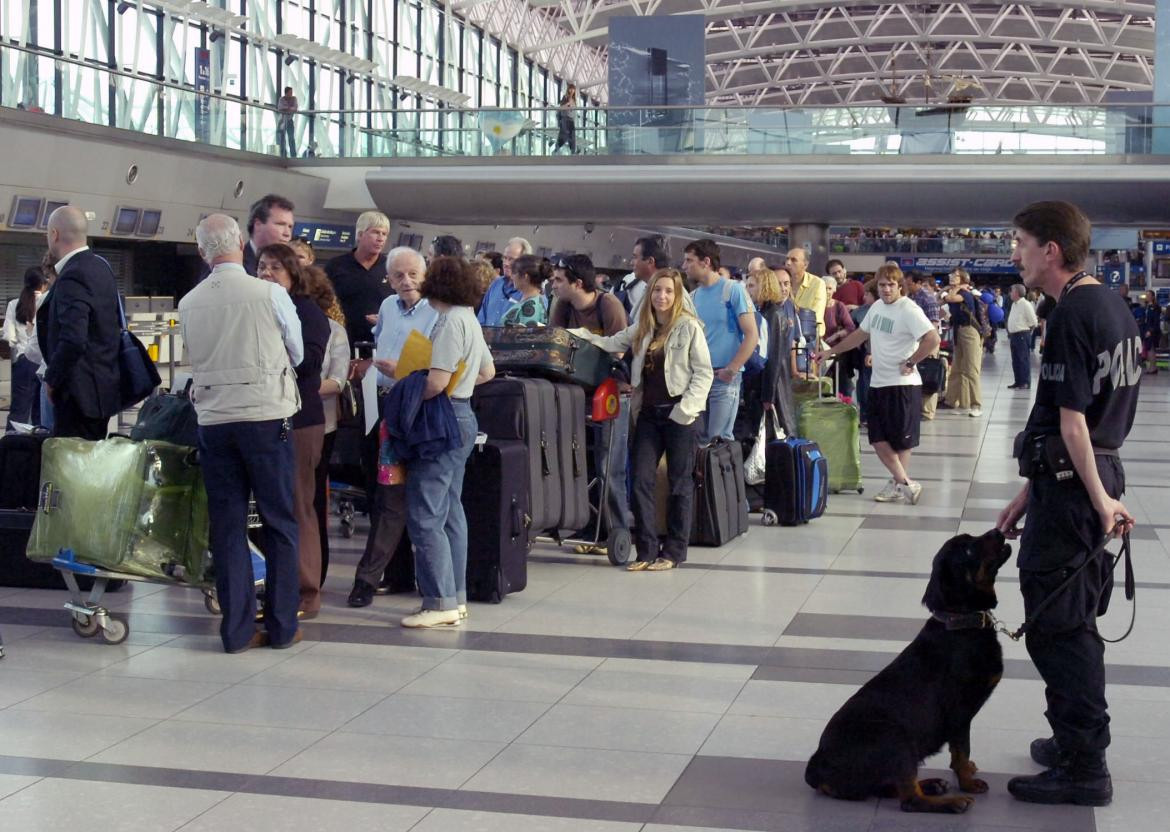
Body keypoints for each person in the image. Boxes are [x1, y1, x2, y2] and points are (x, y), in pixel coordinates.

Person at [997, 200, 1140, 807]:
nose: (1015, 254)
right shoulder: (1109, 304)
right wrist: (1030, 493)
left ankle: (1085, 764)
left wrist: (1099, 501)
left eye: (1021, 243)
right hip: (1078, 480)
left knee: (1060, 630)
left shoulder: (1073, 314)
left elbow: (1073, 423)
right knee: (1068, 620)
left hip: (1079, 490)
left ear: (1051, 250)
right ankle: (1072, 740)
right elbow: (1083, 428)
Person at [179, 214, 303, 653]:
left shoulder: (188, 302)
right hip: (267, 417)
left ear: (202, 251)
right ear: (241, 244)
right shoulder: (269, 292)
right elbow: (298, 351)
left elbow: (193, 360)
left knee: (227, 526)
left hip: (214, 422)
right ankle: (283, 626)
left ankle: (236, 631)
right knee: (280, 522)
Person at [570, 269, 713, 570]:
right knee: (641, 482)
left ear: (678, 296)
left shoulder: (688, 327)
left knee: (679, 484)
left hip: (680, 415)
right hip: (648, 414)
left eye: (668, 291)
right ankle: (646, 550)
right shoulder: (643, 328)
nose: (662, 296)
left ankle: (673, 552)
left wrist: (686, 409)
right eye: (657, 291)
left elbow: (703, 372)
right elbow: (610, 343)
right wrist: (572, 334)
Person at [401, 257, 495, 628]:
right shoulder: (468, 318)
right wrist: (463, 384)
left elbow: (436, 382)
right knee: (451, 509)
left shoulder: (449, 322)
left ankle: (439, 602)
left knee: (425, 512)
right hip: (464, 417)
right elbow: (487, 371)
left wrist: (407, 393)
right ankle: (456, 597)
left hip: (442, 420)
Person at [348, 247, 439, 608]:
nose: (406, 282)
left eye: (413, 274)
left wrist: (400, 370)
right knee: (379, 490)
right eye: (398, 275)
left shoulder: (437, 311)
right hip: (382, 404)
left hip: (415, 407)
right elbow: (383, 341)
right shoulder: (387, 307)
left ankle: (366, 578)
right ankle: (398, 572)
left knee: (394, 496)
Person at [815, 263, 939, 505]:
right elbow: (860, 335)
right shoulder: (877, 308)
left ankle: (897, 484)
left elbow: (932, 338)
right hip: (879, 382)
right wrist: (831, 352)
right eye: (882, 285)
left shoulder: (908, 309)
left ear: (899, 286)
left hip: (903, 384)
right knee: (877, 437)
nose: (886, 290)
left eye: (891, 285)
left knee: (901, 440)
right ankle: (906, 483)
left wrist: (912, 361)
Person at [258, 244, 330, 620]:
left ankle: (306, 591)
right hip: (266, 415)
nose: (267, 273)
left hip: (301, 420)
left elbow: (309, 364)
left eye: (276, 268)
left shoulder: (307, 312)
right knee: (275, 506)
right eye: (262, 266)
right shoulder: (256, 308)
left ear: (293, 274)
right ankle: (276, 585)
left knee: (300, 504)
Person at [40, 206, 121, 440]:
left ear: (54, 234)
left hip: (78, 396)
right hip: (101, 390)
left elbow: (74, 338)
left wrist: (52, 379)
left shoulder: (73, 274)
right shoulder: (101, 268)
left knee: (72, 468)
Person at [684, 239, 758, 443]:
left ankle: (720, 475)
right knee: (699, 440)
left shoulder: (733, 290)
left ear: (705, 261)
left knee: (718, 440)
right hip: (699, 377)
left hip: (724, 378)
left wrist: (732, 369)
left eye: (689, 260)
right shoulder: (693, 296)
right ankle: (703, 475)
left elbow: (752, 334)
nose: (685, 266)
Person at [307, 270, 349, 587]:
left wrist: (298, 389)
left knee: (313, 499)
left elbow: (337, 380)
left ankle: (315, 571)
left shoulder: (334, 332)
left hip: (321, 425)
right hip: (280, 424)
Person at [746, 267, 799, 438]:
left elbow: (775, 358)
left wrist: (768, 395)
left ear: (763, 286)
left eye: (752, 286)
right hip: (764, 384)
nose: (748, 290)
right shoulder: (763, 312)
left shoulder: (774, 314)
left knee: (775, 432)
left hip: (773, 385)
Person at [325, 210, 391, 347]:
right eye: (375, 232)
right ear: (360, 234)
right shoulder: (336, 266)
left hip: (380, 343)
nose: (380, 238)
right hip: (341, 341)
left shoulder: (391, 267)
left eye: (384, 234)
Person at [2, 269, 48, 430]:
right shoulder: (48, 300)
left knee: (19, 411)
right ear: (43, 284)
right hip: (43, 362)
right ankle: (38, 449)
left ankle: (11, 449)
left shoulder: (14, 304)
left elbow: (9, 336)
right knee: (40, 413)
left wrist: (21, 345)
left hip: (23, 361)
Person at [549, 254, 627, 336]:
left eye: (559, 280)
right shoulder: (564, 303)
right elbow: (555, 341)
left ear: (578, 284)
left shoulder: (609, 305)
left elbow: (617, 347)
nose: (553, 286)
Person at [941, 268, 983, 417]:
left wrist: (955, 288)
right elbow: (940, 298)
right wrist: (948, 289)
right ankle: (955, 401)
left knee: (971, 369)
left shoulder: (965, 294)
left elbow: (950, 298)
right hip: (959, 331)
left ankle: (976, 404)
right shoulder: (957, 291)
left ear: (963, 279)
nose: (951, 277)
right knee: (957, 369)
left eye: (955, 276)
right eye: (951, 275)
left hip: (970, 331)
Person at [907, 271, 943, 420]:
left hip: (928, 341)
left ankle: (928, 411)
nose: (907, 286)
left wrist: (927, 344)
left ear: (918, 283)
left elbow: (934, 323)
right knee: (919, 373)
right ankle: (918, 408)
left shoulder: (927, 298)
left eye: (909, 284)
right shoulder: (912, 297)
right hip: (916, 341)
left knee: (929, 373)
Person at [477, 237, 531, 326]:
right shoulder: (496, 284)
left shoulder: (529, 291)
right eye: (505, 258)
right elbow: (482, 316)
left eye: (511, 259)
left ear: (524, 262)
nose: (506, 263)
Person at [820, 274, 857, 396]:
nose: (827, 291)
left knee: (842, 388)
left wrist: (836, 335)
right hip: (819, 353)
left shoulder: (839, 306)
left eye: (829, 288)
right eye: (824, 288)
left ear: (834, 289)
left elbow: (850, 327)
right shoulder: (816, 306)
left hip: (838, 354)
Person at [244, 194, 295, 275]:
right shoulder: (235, 263)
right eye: (280, 224)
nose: (287, 233)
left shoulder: (293, 268)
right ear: (258, 225)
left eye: (290, 227)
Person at [786, 248, 827, 339]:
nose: (788, 263)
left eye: (793, 260)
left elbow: (814, 318)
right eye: (787, 259)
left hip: (809, 338)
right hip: (786, 337)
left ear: (805, 265)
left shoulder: (817, 284)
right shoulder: (781, 283)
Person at [500, 255, 550, 326]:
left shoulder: (531, 307)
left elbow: (525, 335)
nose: (512, 276)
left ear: (525, 277)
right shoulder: (530, 301)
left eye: (514, 272)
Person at [1006, 283, 1039, 390]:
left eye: (1012, 291)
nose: (1010, 293)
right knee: (1015, 359)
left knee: (1022, 359)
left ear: (1016, 293)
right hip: (1014, 335)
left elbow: (1033, 321)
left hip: (1022, 335)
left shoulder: (1025, 304)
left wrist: (1026, 331)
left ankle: (1025, 382)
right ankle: (1018, 381)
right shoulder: (1014, 304)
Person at [1137, 292, 1162, 375]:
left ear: (1153, 297)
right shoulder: (1146, 307)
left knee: (1151, 349)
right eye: (1146, 295)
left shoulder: (1155, 308)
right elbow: (1144, 319)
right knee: (1147, 349)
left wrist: (1150, 331)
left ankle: (1153, 368)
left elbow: (1155, 321)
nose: (1147, 297)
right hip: (1145, 330)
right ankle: (1151, 367)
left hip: (1152, 331)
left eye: (1148, 295)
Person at [554, 84, 577, 154]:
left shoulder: (574, 100)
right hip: (565, 119)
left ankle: (572, 152)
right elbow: (561, 107)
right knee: (564, 135)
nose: (572, 90)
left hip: (571, 120)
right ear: (568, 89)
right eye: (570, 89)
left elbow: (573, 110)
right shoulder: (565, 97)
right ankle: (556, 150)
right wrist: (567, 104)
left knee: (572, 136)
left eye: (573, 89)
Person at [276, 86, 298, 158]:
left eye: (292, 92)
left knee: (291, 138)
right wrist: (289, 108)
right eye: (290, 92)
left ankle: (293, 155)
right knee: (282, 138)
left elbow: (295, 108)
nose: (291, 94)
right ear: (286, 93)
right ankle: (283, 155)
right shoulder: (282, 99)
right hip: (282, 121)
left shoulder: (294, 99)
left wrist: (286, 108)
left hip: (289, 120)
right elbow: (280, 108)